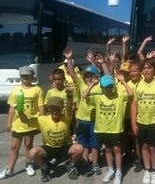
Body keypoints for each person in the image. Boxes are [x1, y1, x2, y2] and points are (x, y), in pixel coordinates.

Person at [18, 93, 84, 182]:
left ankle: (70, 165)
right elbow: (25, 120)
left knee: (79, 148)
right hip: (49, 148)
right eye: (52, 108)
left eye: (57, 108)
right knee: (32, 153)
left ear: (62, 108)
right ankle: (45, 167)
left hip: (65, 147)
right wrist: (20, 111)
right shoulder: (42, 120)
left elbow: (69, 108)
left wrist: (69, 97)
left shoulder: (66, 117)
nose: (55, 111)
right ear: (49, 109)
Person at [82, 73, 133, 184]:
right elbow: (84, 96)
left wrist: (123, 81)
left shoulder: (119, 95)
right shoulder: (98, 97)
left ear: (113, 86)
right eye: (106, 86)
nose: (108, 88)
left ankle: (118, 172)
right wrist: (93, 84)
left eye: (110, 86)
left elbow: (130, 93)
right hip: (102, 129)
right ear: (101, 87)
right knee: (108, 149)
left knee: (117, 149)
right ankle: (110, 170)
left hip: (116, 129)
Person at [65, 48, 108, 176]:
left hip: (96, 120)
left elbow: (108, 76)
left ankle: (95, 163)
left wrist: (103, 64)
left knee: (95, 144)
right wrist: (69, 58)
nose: (90, 78)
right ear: (84, 78)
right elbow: (72, 73)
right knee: (83, 144)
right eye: (88, 76)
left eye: (92, 76)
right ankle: (85, 163)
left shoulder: (101, 86)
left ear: (97, 77)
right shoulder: (81, 84)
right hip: (83, 119)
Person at [0, 66, 45, 180]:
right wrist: (9, 122)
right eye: (23, 75)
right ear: (20, 77)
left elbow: (41, 107)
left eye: (27, 75)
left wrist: (44, 120)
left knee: (28, 144)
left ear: (32, 76)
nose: (25, 77)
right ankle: (10, 169)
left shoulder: (37, 90)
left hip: (31, 123)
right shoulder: (15, 91)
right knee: (14, 146)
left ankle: (28, 164)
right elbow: (12, 108)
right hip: (18, 123)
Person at [131, 58, 155, 184]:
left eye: (149, 67)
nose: (146, 70)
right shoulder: (138, 85)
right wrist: (133, 123)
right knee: (144, 146)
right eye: (144, 68)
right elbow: (134, 105)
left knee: (154, 147)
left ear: (154, 69)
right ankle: (147, 169)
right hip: (141, 122)